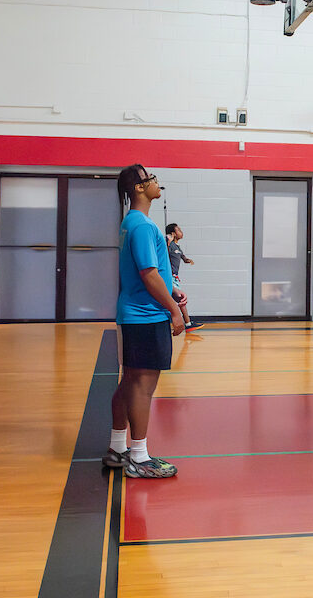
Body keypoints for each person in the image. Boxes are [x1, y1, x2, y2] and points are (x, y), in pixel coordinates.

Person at [102, 164, 186, 479]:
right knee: (142, 386)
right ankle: (138, 457)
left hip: (137, 313)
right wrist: (173, 310)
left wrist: (173, 288)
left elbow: (154, 271)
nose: (156, 181)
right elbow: (148, 274)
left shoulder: (133, 223)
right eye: (151, 178)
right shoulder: (142, 226)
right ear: (139, 188)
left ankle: (117, 450)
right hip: (146, 315)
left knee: (129, 382)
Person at [165, 223, 203, 331]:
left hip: (175, 277)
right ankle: (187, 323)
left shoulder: (177, 247)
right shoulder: (170, 244)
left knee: (180, 300)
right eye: (179, 230)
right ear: (173, 233)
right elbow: (163, 252)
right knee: (180, 299)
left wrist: (188, 260)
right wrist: (168, 241)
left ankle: (187, 323)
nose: (181, 232)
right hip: (169, 277)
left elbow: (183, 257)